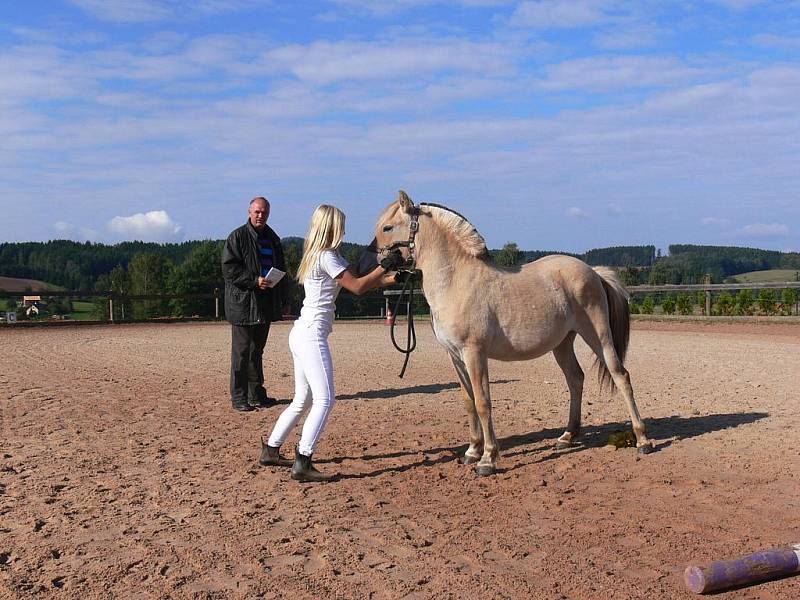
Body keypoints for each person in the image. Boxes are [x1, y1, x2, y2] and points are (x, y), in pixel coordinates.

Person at [258, 204, 404, 482]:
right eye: (342, 225)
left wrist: (391, 273)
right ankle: (303, 460)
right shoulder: (327, 257)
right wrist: (385, 265)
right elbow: (358, 287)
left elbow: (359, 275)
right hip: (311, 334)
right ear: (332, 227)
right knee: (325, 399)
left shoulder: (322, 255)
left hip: (302, 332)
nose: (345, 230)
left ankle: (271, 449)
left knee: (303, 399)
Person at [222, 196, 289, 412]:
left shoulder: (273, 238)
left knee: (256, 351)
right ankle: (239, 397)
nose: (261, 215)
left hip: (265, 302)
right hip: (243, 303)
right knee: (241, 353)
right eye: (257, 212)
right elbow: (229, 269)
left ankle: (257, 394)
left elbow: (282, 269)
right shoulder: (237, 237)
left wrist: (283, 297)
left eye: (264, 212)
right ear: (249, 212)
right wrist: (254, 280)